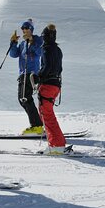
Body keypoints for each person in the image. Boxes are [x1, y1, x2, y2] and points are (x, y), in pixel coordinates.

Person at [37, 24, 71, 155]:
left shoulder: (46, 49)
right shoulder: (58, 50)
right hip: (56, 84)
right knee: (49, 115)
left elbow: (47, 67)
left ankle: (57, 145)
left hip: (47, 85)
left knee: (47, 116)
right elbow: (58, 68)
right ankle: (58, 142)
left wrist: (38, 76)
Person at [9, 19, 44, 134]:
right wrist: (13, 43)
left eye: (26, 28)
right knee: (22, 99)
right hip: (22, 74)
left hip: (32, 74)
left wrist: (32, 41)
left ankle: (37, 126)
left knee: (26, 98)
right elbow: (13, 55)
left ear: (31, 29)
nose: (24, 30)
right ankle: (36, 125)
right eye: (23, 28)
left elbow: (40, 53)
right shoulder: (23, 43)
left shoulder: (37, 40)